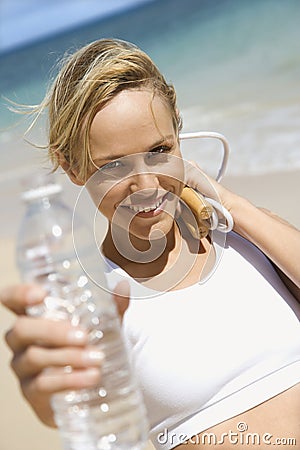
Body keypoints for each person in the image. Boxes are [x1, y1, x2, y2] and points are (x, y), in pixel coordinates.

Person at [1, 39, 300, 449]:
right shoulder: (101, 304)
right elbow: (74, 405)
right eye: (115, 166)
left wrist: (231, 205)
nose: (146, 186)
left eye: (160, 151)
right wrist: (50, 400)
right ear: (71, 167)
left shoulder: (250, 238)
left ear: (178, 130)